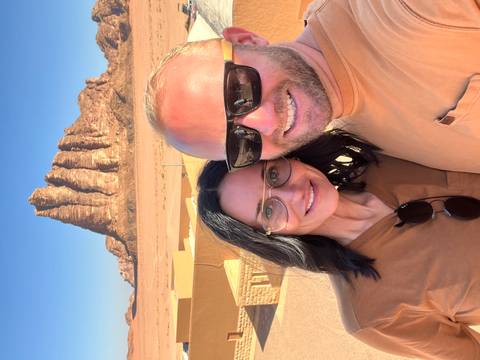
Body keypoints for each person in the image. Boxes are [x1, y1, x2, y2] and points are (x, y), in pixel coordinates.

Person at [196, 131, 480, 359]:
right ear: (269, 237)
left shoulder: (380, 147)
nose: (294, 193)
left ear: (285, 156)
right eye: (269, 211)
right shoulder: (373, 313)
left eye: (273, 174)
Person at [145, 0, 480, 173]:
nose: (266, 123)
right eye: (240, 144)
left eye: (238, 93)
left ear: (247, 39)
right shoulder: (361, 141)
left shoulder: (403, 11)